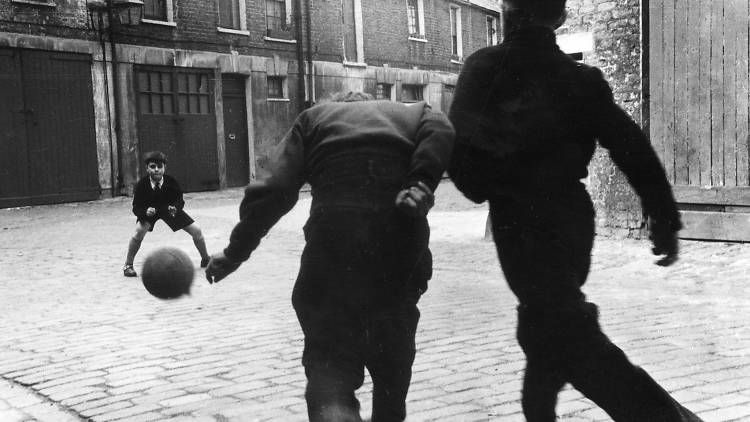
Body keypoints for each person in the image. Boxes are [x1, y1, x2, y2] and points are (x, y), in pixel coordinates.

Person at [448, 1, 703, 421]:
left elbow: (459, 150)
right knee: (548, 327)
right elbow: (630, 145)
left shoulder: (484, 68)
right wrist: (663, 217)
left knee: (561, 332)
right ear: (561, 17)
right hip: (571, 218)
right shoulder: (578, 79)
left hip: (519, 221)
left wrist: (484, 185)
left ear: (507, 12)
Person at [205, 91, 454, 422]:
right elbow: (442, 128)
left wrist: (235, 253)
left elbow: (275, 189)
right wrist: (421, 180)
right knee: (392, 362)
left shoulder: (315, 118)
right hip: (399, 240)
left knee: (329, 365)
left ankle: (335, 409)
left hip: (334, 240)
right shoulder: (416, 112)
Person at [123, 151, 211, 277]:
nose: (157, 170)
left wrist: (175, 208)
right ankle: (128, 265)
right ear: (147, 168)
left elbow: (180, 200)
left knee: (196, 230)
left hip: (168, 210)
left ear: (165, 167)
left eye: (160, 167)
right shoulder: (142, 185)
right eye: (153, 167)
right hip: (150, 212)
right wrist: (145, 211)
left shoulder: (171, 181)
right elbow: (136, 207)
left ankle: (206, 258)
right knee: (138, 233)